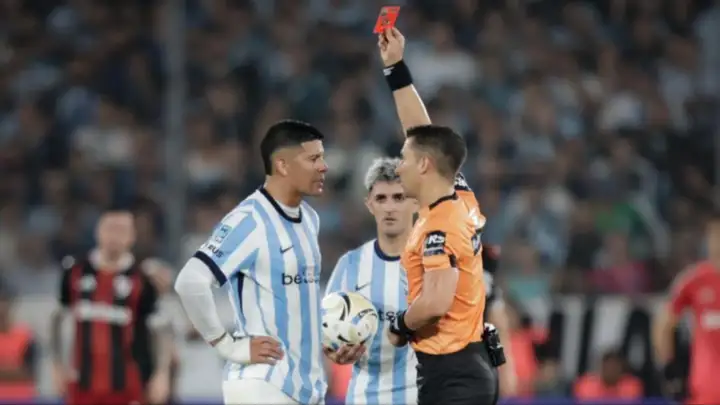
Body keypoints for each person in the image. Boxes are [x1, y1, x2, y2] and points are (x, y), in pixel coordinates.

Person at [379, 27, 499, 405]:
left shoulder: (439, 229)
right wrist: (395, 68)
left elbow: (435, 302)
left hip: (454, 375)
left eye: (404, 159)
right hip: (462, 370)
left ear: (424, 166)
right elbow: (422, 134)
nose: (398, 167)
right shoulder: (459, 196)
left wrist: (399, 326)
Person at [174, 119, 329, 405]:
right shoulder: (249, 220)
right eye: (313, 159)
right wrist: (227, 345)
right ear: (282, 165)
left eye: (322, 157)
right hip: (262, 384)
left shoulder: (309, 218)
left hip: (304, 388)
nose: (323, 167)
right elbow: (190, 281)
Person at [49, 210, 173, 405]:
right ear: (97, 232)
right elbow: (57, 317)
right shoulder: (75, 272)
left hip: (128, 386)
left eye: (121, 230)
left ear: (132, 236)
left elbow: (160, 329)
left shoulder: (143, 279)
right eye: (110, 229)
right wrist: (56, 364)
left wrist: (161, 373)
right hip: (82, 384)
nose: (114, 236)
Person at [325, 157, 419, 405]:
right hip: (364, 397)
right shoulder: (350, 265)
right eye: (381, 198)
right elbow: (327, 331)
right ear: (369, 204)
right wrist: (335, 351)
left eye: (398, 198)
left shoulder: (433, 264)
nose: (389, 207)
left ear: (416, 202)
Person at [652, 215, 720, 404]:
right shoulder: (694, 280)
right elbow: (663, 323)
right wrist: (668, 367)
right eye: (713, 236)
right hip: (705, 391)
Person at [0, 282, 38, 402]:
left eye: (3, 301)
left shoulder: (25, 336)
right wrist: (13, 370)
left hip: (21, 399)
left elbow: (29, 373)